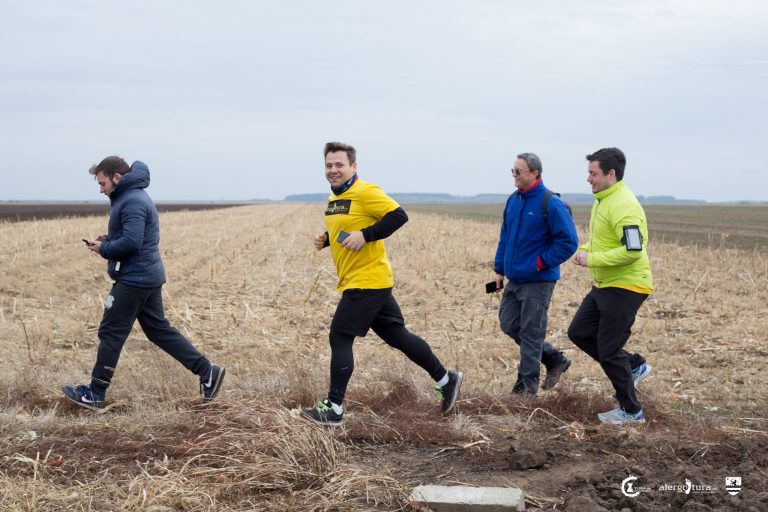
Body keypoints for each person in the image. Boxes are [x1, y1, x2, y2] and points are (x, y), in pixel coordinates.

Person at [301, 141, 463, 426]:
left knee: (340, 336)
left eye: (339, 165)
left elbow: (399, 216)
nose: (333, 170)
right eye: (329, 165)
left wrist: (366, 235)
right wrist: (327, 239)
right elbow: (347, 228)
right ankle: (446, 379)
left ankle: (334, 408)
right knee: (396, 335)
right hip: (365, 279)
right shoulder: (335, 198)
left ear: (353, 166)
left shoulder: (366, 191)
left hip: (366, 280)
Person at [62, 156, 224, 412]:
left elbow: (132, 243)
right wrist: (107, 239)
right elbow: (131, 235)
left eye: (102, 183)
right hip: (145, 276)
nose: (100, 189)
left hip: (134, 279)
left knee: (111, 332)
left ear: (117, 177)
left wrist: (104, 249)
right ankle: (208, 371)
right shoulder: (131, 197)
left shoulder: (132, 200)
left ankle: (95, 393)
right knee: (158, 330)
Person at [568, 147, 653, 425]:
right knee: (579, 332)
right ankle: (633, 365)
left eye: (593, 173)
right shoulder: (604, 200)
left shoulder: (624, 204)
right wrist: (586, 249)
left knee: (608, 350)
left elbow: (633, 250)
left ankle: (631, 412)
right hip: (605, 283)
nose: (588, 178)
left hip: (627, 285)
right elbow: (606, 242)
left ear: (611, 174)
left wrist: (592, 259)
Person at [492, 153, 578, 396]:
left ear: (535, 173)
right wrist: (499, 270)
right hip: (515, 278)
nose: (514, 175)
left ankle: (525, 390)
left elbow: (568, 242)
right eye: (513, 170)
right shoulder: (513, 200)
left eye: (518, 171)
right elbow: (505, 236)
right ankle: (553, 358)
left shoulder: (551, 203)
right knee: (509, 323)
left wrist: (540, 262)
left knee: (531, 333)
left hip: (538, 281)